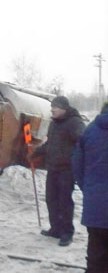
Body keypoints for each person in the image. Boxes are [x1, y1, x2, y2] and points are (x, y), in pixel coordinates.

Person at [30, 95, 85, 246]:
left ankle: (67, 233)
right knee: (51, 199)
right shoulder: (54, 124)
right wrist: (36, 152)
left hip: (67, 169)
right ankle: (56, 229)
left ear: (64, 109)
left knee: (64, 201)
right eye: (52, 106)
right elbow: (50, 144)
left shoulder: (75, 123)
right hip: (53, 168)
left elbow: (83, 143)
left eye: (55, 107)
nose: (52, 109)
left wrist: (78, 161)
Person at [72, 103, 108, 272]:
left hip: (96, 205)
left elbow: (77, 166)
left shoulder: (91, 130)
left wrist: (90, 190)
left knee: (96, 253)